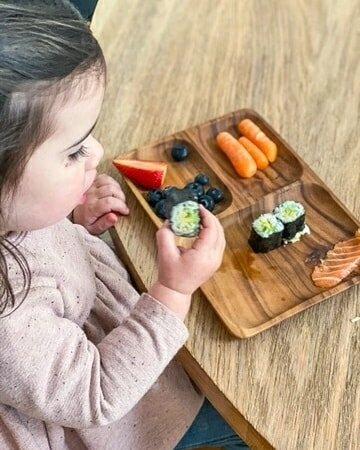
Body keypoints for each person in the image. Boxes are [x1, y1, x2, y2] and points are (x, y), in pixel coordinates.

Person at [0, 1, 248, 449]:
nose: (97, 152)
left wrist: (71, 217)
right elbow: (96, 395)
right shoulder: (8, 318)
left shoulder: (15, 210)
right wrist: (173, 292)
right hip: (114, 412)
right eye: (74, 151)